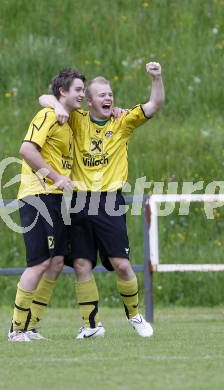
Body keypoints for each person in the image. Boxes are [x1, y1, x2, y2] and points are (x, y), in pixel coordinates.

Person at [39, 62, 164, 338]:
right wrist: (58, 107)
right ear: (90, 101)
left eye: (110, 94)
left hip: (109, 201)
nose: (108, 99)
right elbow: (45, 98)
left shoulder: (122, 121)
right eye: (102, 95)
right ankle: (91, 325)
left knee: (121, 264)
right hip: (79, 201)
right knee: (82, 264)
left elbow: (155, 103)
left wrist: (156, 77)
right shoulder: (76, 119)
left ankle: (135, 316)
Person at [8, 68, 86, 342]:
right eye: (78, 89)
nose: (83, 94)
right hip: (37, 194)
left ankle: (30, 326)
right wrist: (56, 177)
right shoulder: (48, 115)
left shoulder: (70, 118)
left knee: (55, 262)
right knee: (39, 263)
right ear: (63, 92)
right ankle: (16, 329)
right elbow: (27, 150)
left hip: (55, 198)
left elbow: (46, 96)